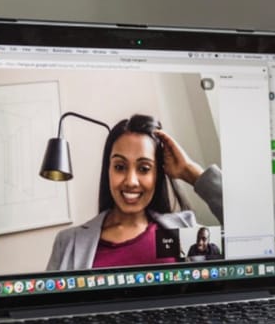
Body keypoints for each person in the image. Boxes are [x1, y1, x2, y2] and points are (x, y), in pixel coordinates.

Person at [46, 114, 223, 270]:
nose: (131, 181)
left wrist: (192, 173)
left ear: (157, 175)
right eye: (120, 167)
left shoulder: (186, 230)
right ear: (108, 170)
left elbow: (247, 232)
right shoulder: (68, 242)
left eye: (144, 168)